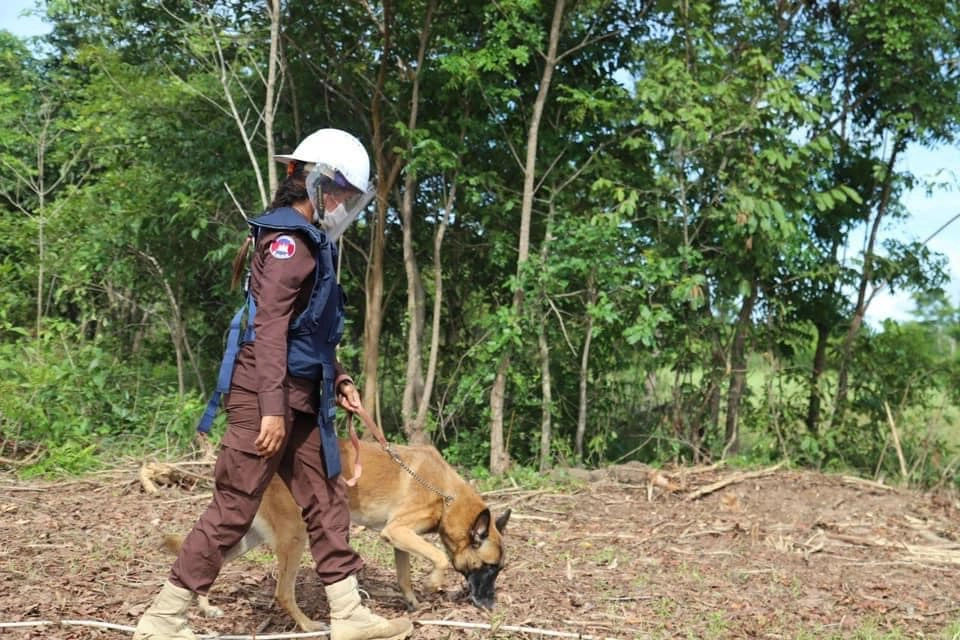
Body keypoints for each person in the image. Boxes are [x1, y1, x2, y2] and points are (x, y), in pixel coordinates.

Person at [133, 129, 413, 640]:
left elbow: (309, 331)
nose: (344, 204)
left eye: (350, 196)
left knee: (327, 500)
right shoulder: (289, 241)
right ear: (317, 182)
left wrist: (340, 377)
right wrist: (269, 409)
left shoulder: (311, 238)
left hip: (300, 397)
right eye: (341, 192)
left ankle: (349, 614)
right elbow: (269, 329)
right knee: (235, 507)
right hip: (266, 397)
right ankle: (162, 620)